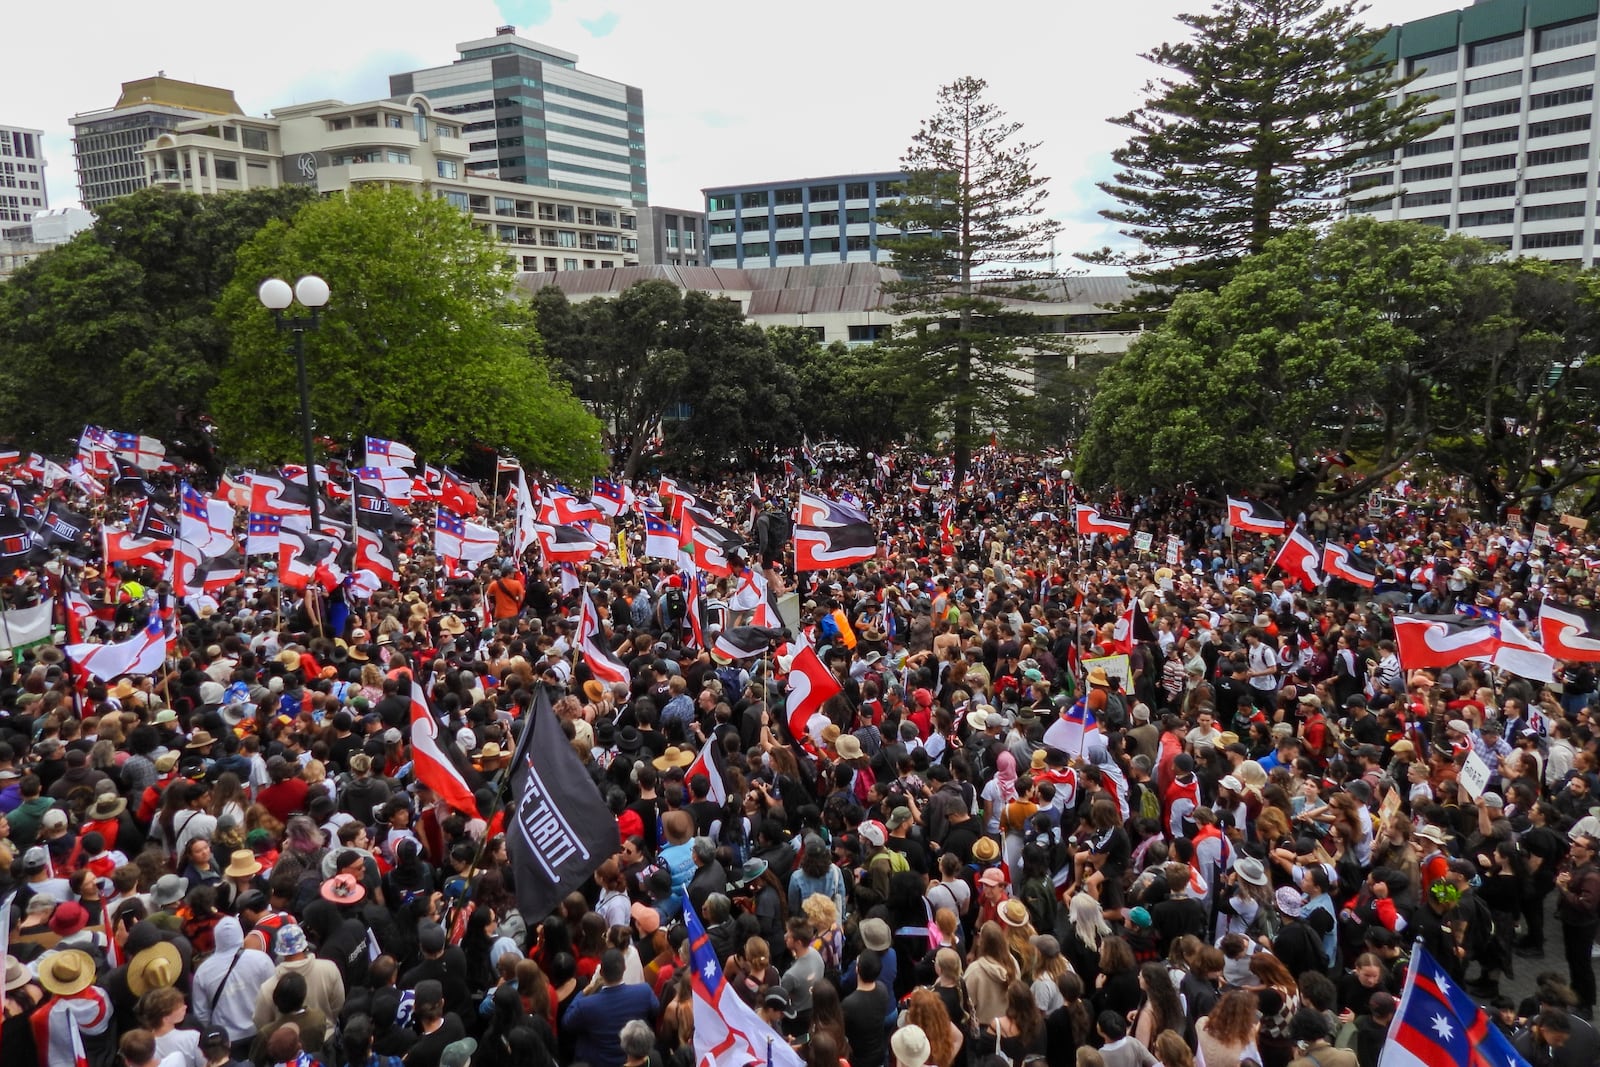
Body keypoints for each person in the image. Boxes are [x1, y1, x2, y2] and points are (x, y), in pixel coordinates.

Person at [561, 949, 656, 1067]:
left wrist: (583, 992)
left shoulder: (586, 1005)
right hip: (630, 1058)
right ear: (624, 968)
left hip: (602, 1062)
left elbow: (567, 1022)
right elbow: (656, 1009)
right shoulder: (644, 991)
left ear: (600, 972)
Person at [1554, 833, 1600, 1017]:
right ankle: (1575, 997)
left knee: (1582, 964)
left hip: (1582, 926)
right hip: (1570, 921)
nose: (1573, 845)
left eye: (1578, 845)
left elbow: (1586, 905)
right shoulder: (1574, 865)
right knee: (1573, 961)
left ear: (1589, 852)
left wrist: (1564, 889)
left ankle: (1586, 1005)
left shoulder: (1592, 876)